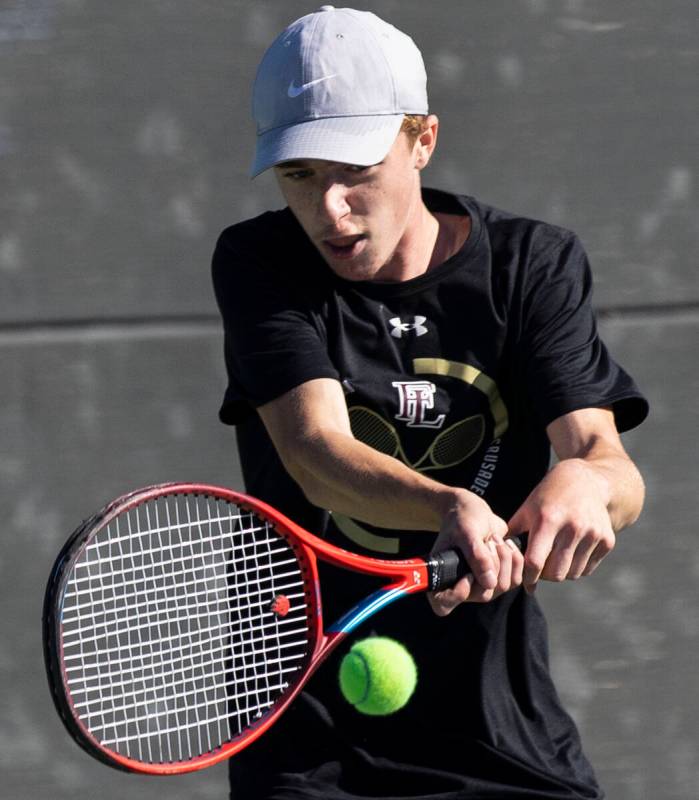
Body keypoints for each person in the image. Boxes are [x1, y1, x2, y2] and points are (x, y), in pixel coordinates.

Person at [212, 6, 648, 799]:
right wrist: (449, 506)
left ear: (422, 140)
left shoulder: (530, 265)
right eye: (299, 175)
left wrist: (587, 483)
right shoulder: (259, 262)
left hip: (497, 720)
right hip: (309, 740)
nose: (328, 211)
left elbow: (606, 461)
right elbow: (315, 452)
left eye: (354, 171)